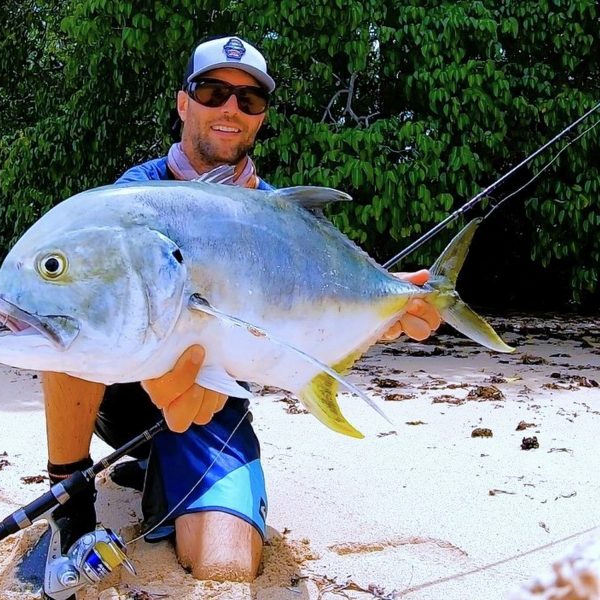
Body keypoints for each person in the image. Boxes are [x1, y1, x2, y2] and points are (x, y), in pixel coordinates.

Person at [40, 35, 442, 592]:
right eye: (213, 91)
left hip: (210, 399)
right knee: (63, 325)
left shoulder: (277, 216)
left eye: (249, 100)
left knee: (225, 566)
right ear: (184, 103)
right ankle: (71, 508)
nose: (231, 108)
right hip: (122, 394)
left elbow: (309, 318)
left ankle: (163, 474)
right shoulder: (136, 197)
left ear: (261, 117)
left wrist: (386, 310)